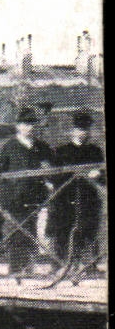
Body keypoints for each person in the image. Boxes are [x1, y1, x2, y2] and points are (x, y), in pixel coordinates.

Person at [0, 106, 55, 275]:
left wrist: (49, 178)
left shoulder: (41, 147)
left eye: (32, 124)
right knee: (16, 231)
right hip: (13, 196)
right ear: (18, 126)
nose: (29, 127)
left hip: (34, 196)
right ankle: (16, 269)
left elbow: (53, 165)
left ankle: (27, 268)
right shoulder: (9, 146)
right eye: (25, 124)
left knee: (30, 230)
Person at [50, 110, 104, 268]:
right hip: (66, 198)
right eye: (79, 129)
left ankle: (88, 265)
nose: (83, 133)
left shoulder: (95, 151)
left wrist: (98, 174)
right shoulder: (61, 151)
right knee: (64, 231)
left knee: (88, 230)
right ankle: (61, 265)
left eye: (86, 129)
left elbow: (103, 175)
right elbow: (55, 176)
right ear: (73, 131)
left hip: (88, 198)